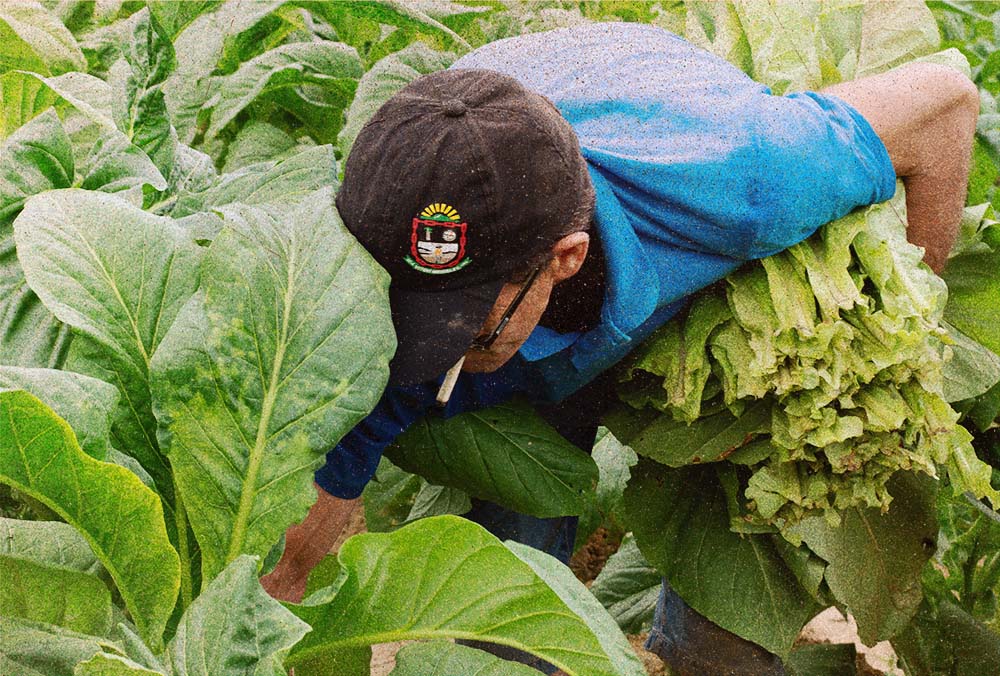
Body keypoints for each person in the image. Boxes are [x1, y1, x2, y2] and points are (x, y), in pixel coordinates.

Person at [261, 21, 979, 675]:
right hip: (518, 162)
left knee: (730, 637)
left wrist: (906, 332)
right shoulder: (396, 263)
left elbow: (945, 102)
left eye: (462, 331)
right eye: (415, 319)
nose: (428, 352)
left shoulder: (742, 180)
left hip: (684, 286)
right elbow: (305, 533)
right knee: (504, 592)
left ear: (563, 259)